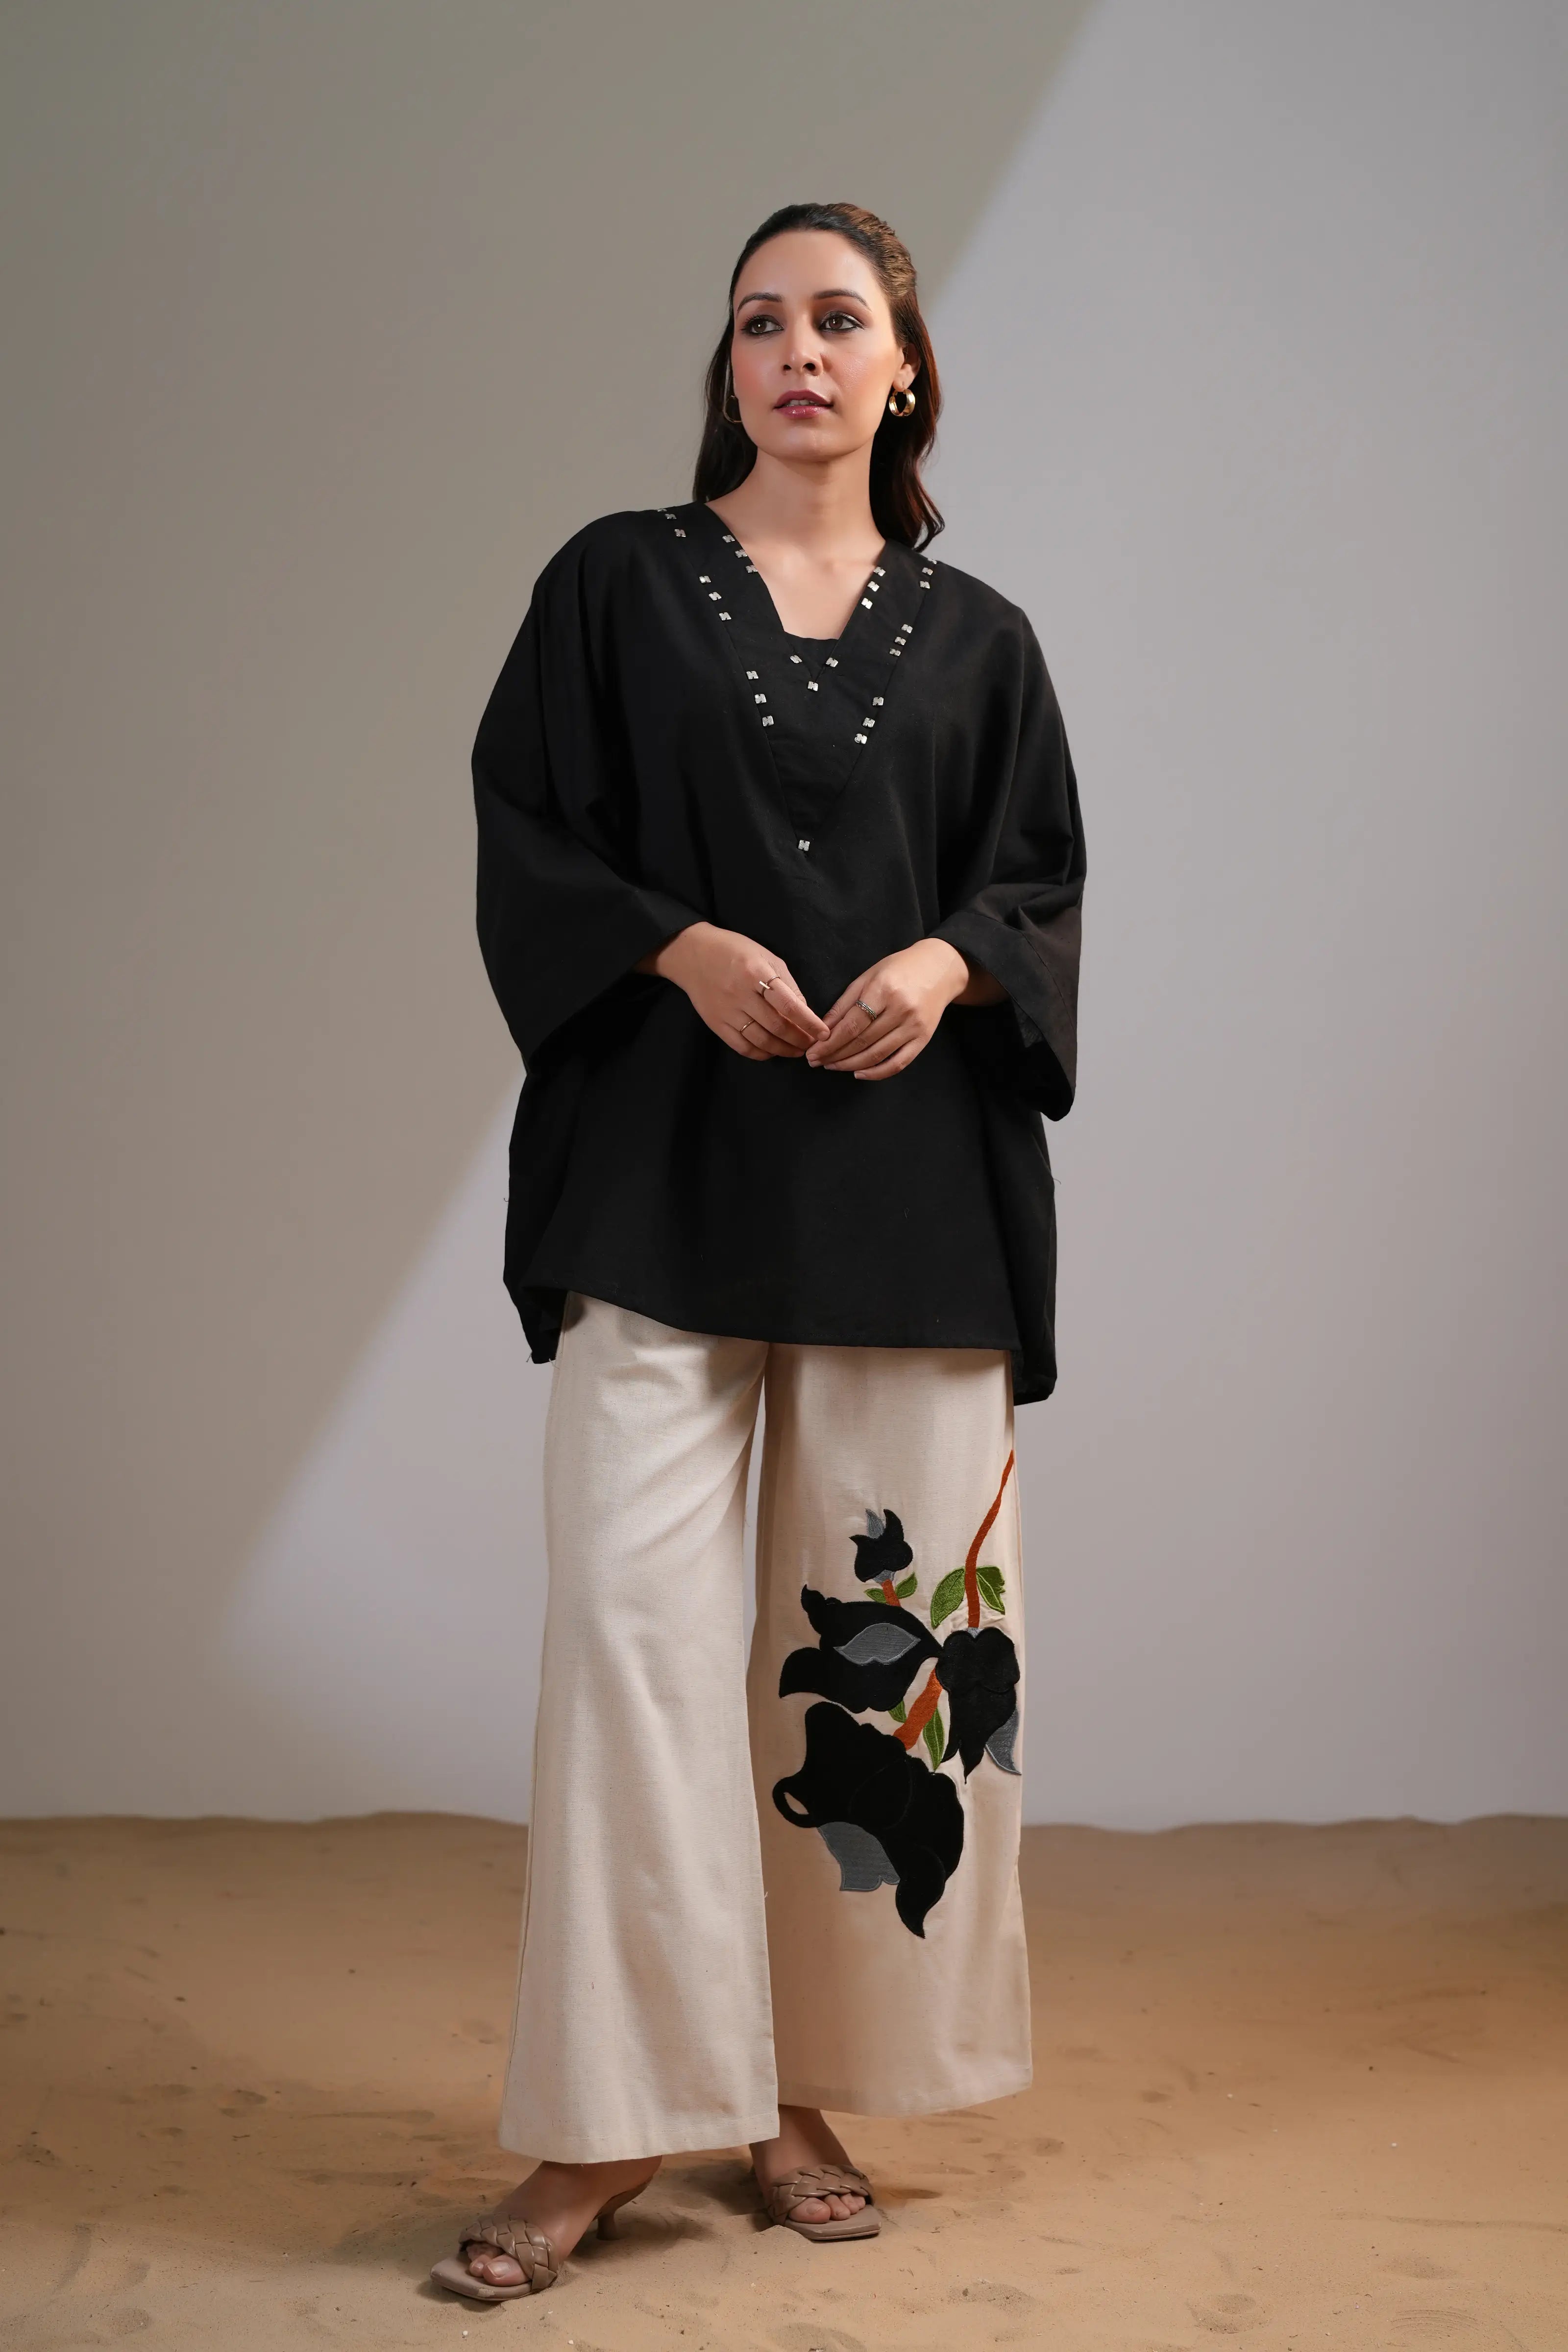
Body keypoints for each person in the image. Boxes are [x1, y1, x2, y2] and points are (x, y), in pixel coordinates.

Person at [431, 199, 1086, 2305]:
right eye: (757, 321)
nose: (796, 349)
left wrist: (947, 965)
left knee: (871, 1657)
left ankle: (794, 2098)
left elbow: (1036, 887)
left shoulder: (980, 639)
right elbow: (529, 829)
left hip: (909, 1213)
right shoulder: (613, 584)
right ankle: (609, 2121)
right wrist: (673, 943)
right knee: (630, 1652)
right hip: (661, 1182)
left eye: (837, 318)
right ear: (725, 367)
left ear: (904, 367)